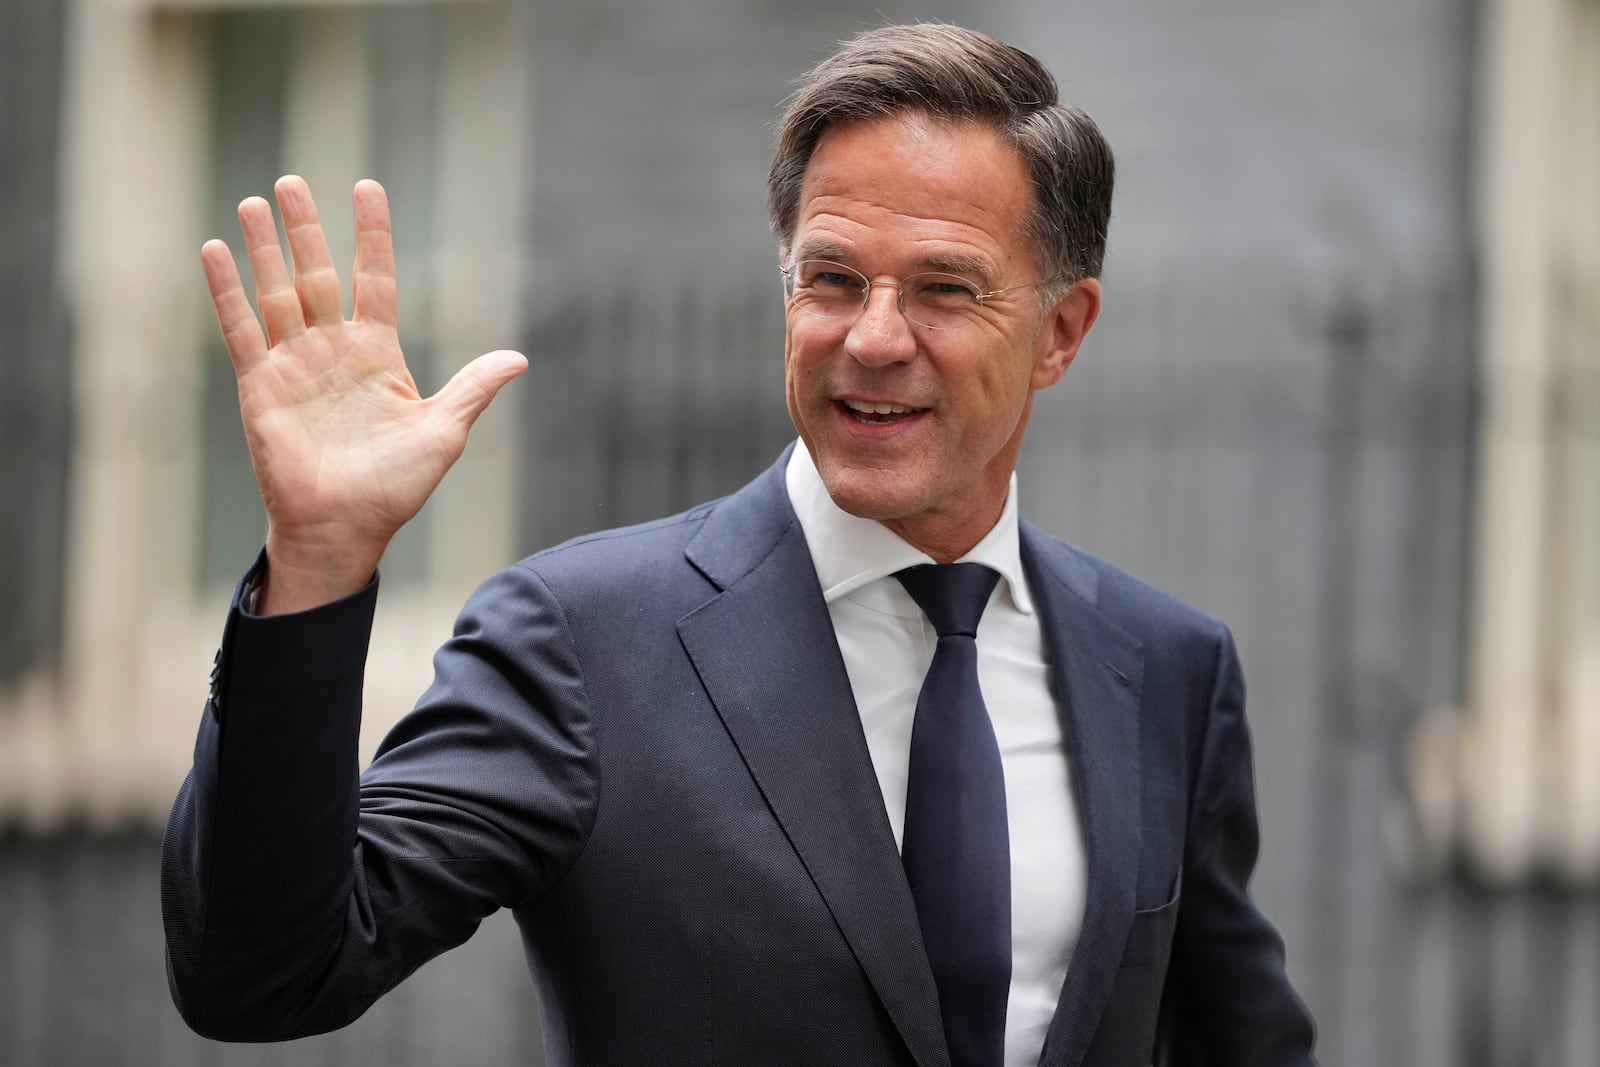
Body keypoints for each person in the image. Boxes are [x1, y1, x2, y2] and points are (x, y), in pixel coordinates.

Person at [163, 23, 1317, 1067]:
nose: (870, 338)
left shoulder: (1165, 666)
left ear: (1061, 331)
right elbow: (263, 973)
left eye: (944, 289)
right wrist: (316, 565)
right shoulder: (583, 639)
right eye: (830, 277)